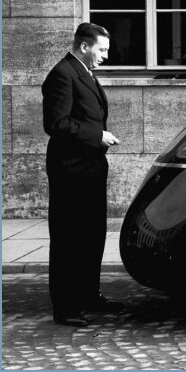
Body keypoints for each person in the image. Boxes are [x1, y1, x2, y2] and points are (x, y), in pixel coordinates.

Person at [42, 22, 122, 327]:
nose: (104, 56)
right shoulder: (62, 74)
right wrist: (97, 135)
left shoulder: (83, 73)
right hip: (70, 170)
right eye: (101, 50)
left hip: (89, 168)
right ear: (84, 46)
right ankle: (66, 308)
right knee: (68, 239)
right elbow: (56, 123)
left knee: (91, 235)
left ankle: (88, 296)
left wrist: (96, 138)